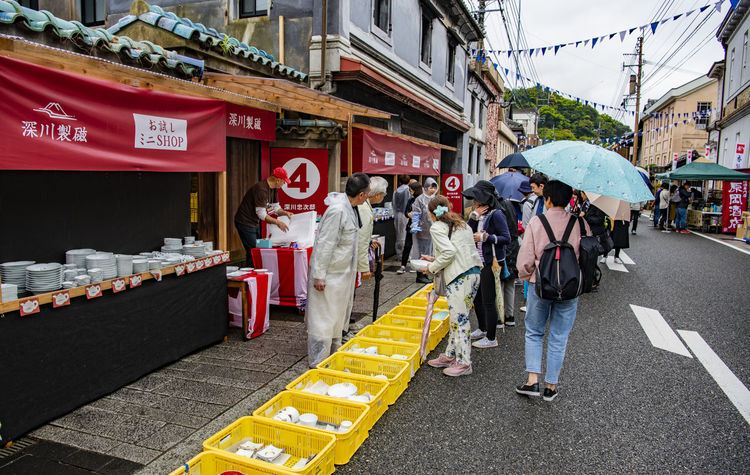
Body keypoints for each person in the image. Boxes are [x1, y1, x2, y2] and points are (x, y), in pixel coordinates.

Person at [515, 180, 590, 402]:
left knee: (534, 331)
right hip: (569, 287)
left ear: (546, 199)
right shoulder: (579, 224)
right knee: (559, 336)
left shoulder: (537, 222)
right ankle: (551, 386)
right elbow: (589, 254)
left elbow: (526, 259)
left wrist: (526, 277)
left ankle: (532, 381)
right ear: (569, 199)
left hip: (540, 284)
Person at [305, 173, 370, 367]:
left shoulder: (350, 207)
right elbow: (324, 244)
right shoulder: (337, 210)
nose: (367, 197)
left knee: (336, 315)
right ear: (360, 195)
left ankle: (332, 355)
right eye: (367, 193)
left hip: (342, 274)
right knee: (323, 318)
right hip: (330, 274)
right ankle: (318, 360)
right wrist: (319, 275)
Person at [421, 195, 482, 376]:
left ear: (432, 213)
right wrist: (434, 259)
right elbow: (458, 251)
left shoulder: (437, 227)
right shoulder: (461, 223)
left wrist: (431, 267)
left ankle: (464, 362)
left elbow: (449, 252)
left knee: (460, 319)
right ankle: (450, 354)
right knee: (458, 316)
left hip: (459, 277)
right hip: (474, 274)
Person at [463, 180, 511, 349]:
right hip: (478, 262)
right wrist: (473, 218)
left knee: (489, 300)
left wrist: (486, 237)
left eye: (476, 197)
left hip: (491, 264)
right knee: (478, 298)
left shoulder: (496, 214)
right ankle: (482, 328)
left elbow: (506, 238)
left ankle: (491, 338)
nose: (474, 201)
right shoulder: (478, 214)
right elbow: (467, 235)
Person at [234, 168, 293, 267]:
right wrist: (278, 223)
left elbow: (275, 207)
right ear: (278, 180)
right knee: (253, 250)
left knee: (258, 248)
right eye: (283, 182)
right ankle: (252, 274)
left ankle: (256, 271)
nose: (284, 184)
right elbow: (261, 214)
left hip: (254, 222)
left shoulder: (273, 189)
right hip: (245, 221)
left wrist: (284, 213)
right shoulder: (261, 189)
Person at [349, 176, 388, 328]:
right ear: (377, 195)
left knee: (349, 293)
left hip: (351, 255)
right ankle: (345, 326)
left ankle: (347, 322)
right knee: (348, 293)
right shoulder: (363, 207)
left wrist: (370, 241)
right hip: (349, 258)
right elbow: (361, 238)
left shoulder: (363, 205)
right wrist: (365, 268)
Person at [412, 178, 439, 284]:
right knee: (422, 253)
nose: (432, 190)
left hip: (433, 231)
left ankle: (427, 273)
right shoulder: (420, 199)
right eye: (431, 187)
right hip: (423, 231)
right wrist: (415, 225)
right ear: (426, 187)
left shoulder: (435, 199)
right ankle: (420, 275)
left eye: (434, 187)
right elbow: (416, 213)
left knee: (430, 253)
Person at [397, 181, 422, 274]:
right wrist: (409, 214)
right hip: (410, 226)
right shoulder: (411, 200)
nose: (410, 192)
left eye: (411, 190)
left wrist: (417, 215)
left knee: (419, 247)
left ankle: (417, 266)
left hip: (420, 227)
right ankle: (403, 265)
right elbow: (406, 212)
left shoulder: (422, 200)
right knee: (407, 245)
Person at [392, 175, 412, 258]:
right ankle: (407, 255)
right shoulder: (408, 190)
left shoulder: (396, 191)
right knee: (406, 234)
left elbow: (393, 204)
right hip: (407, 214)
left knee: (399, 234)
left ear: (399, 182)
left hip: (397, 214)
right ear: (409, 181)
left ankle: (399, 254)